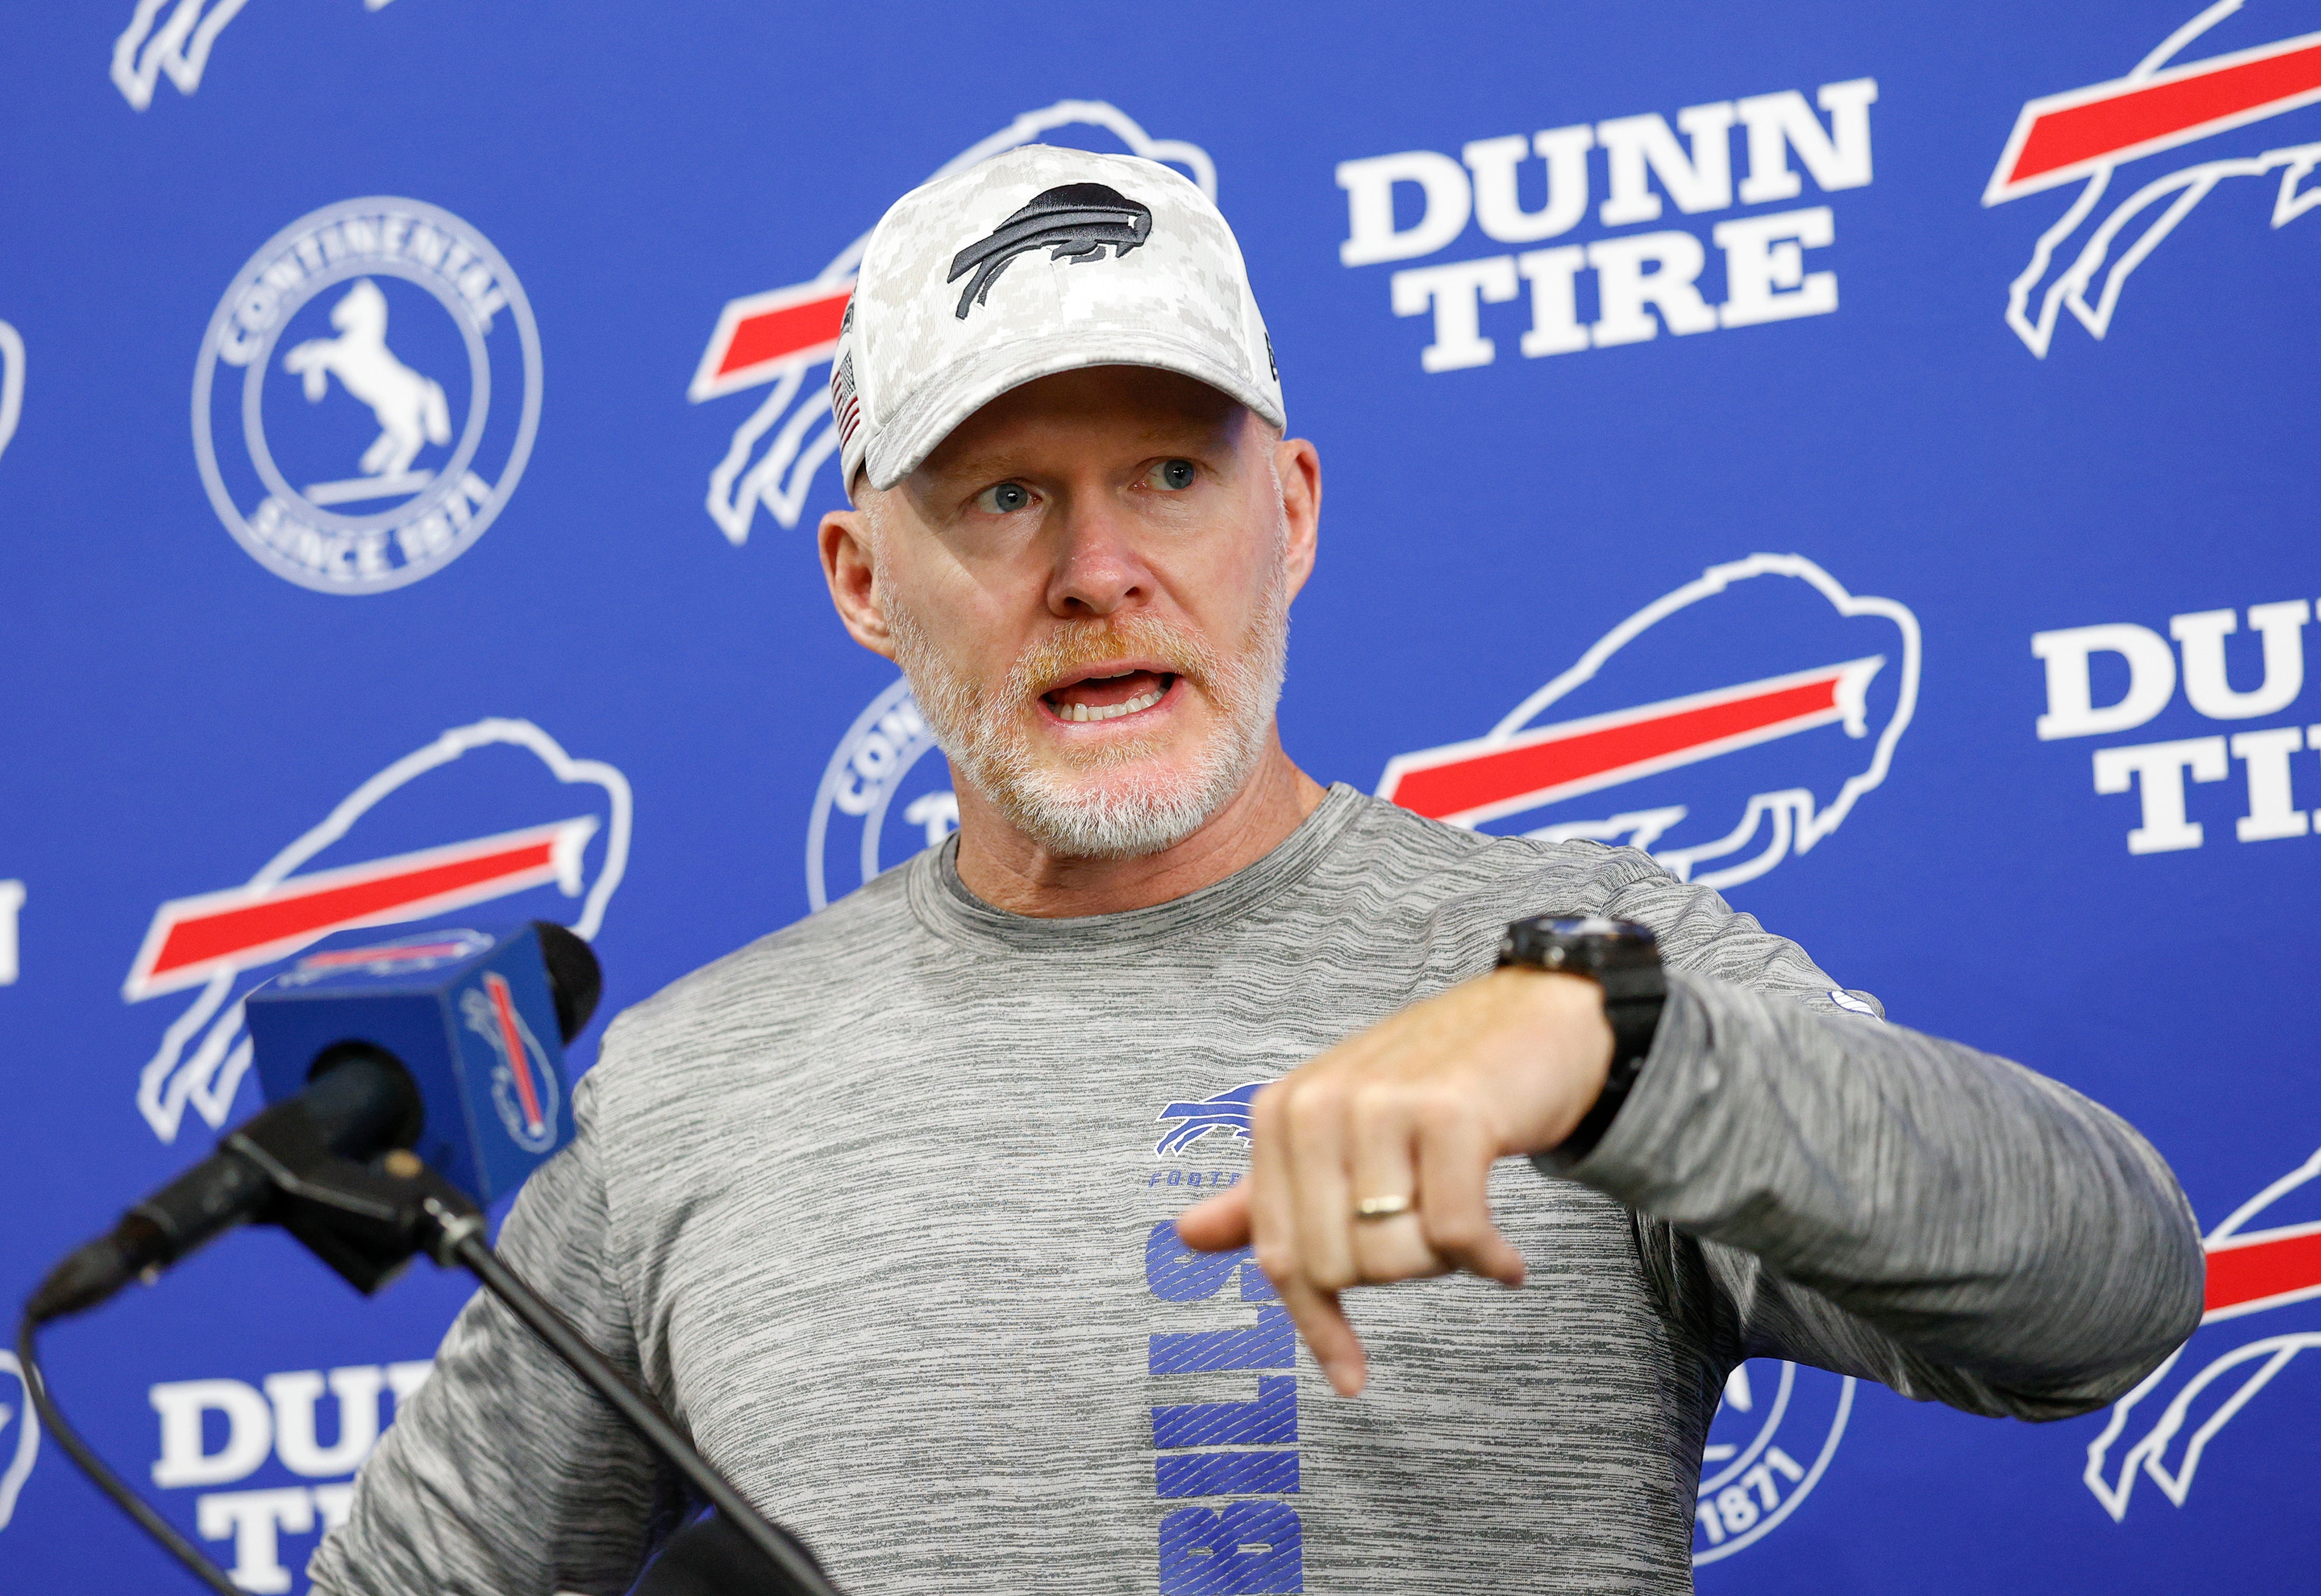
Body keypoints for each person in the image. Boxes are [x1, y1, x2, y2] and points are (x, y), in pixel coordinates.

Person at [309, 144, 2202, 1596]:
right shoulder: (683, 1089)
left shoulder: (1563, 973)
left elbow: (2112, 1293)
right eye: (999, 494)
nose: (1098, 568)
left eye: (1168, 474)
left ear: (1286, 513)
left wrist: (1612, 1060)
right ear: (861, 583)